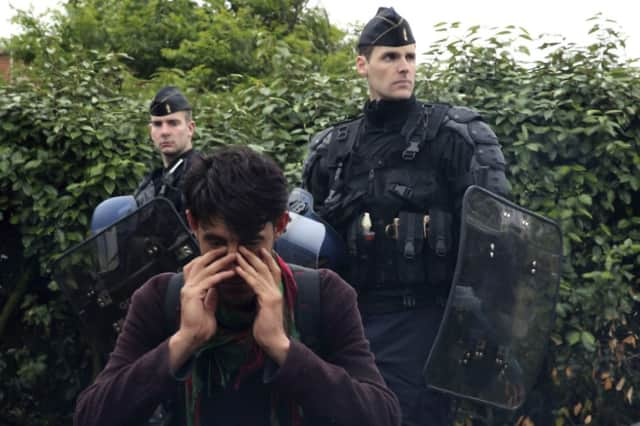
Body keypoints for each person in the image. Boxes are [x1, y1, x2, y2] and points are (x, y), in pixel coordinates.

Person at [74, 146, 401, 426]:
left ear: (281, 226)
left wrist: (282, 348)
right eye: (215, 243)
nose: (232, 263)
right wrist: (182, 342)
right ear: (193, 224)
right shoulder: (160, 298)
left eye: (250, 244)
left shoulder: (324, 296)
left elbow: (382, 415)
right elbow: (92, 415)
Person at [301, 6, 510, 425]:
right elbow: (309, 242)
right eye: (390, 57)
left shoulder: (455, 137)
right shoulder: (331, 150)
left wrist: (474, 326)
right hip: (347, 321)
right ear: (362, 64)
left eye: (410, 57)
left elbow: (495, 240)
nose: (404, 68)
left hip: (422, 324)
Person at [134, 86, 201, 216]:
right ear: (151, 131)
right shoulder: (153, 180)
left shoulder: (202, 176)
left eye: (173, 123)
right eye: (158, 124)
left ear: (190, 128)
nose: (165, 132)